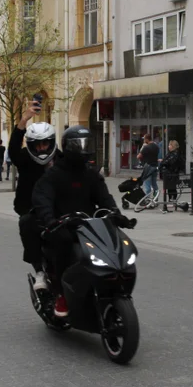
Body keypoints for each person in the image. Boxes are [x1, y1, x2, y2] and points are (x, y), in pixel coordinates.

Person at [32, 126, 134, 318]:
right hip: (64, 226)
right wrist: (50, 220)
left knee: (115, 239)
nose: (82, 148)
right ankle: (62, 294)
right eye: (77, 144)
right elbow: (43, 199)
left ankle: (116, 286)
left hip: (90, 225)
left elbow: (104, 197)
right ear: (67, 147)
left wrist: (115, 214)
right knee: (63, 243)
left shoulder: (91, 174)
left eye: (86, 143)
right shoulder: (53, 175)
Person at [10, 102, 58, 293]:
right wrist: (23, 120)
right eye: (37, 144)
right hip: (31, 208)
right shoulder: (24, 158)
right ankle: (39, 271)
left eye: (45, 143)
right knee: (27, 226)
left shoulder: (60, 158)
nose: (41, 148)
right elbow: (13, 150)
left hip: (58, 207)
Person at [160, 139, 183, 205]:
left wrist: (163, 162)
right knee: (170, 188)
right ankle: (171, 200)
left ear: (173, 146)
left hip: (172, 174)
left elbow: (170, 162)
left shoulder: (175, 154)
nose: (168, 146)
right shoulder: (172, 153)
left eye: (170, 145)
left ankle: (172, 200)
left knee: (172, 188)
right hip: (169, 173)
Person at [137, 133, 159, 200]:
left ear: (147, 139)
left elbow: (138, 156)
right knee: (154, 183)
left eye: (144, 139)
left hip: (148, 167)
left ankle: (148, 199)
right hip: (155, 166)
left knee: (147, 184)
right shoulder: (156, 146)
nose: (143, 140)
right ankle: (156, 198)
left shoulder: (146, 147)